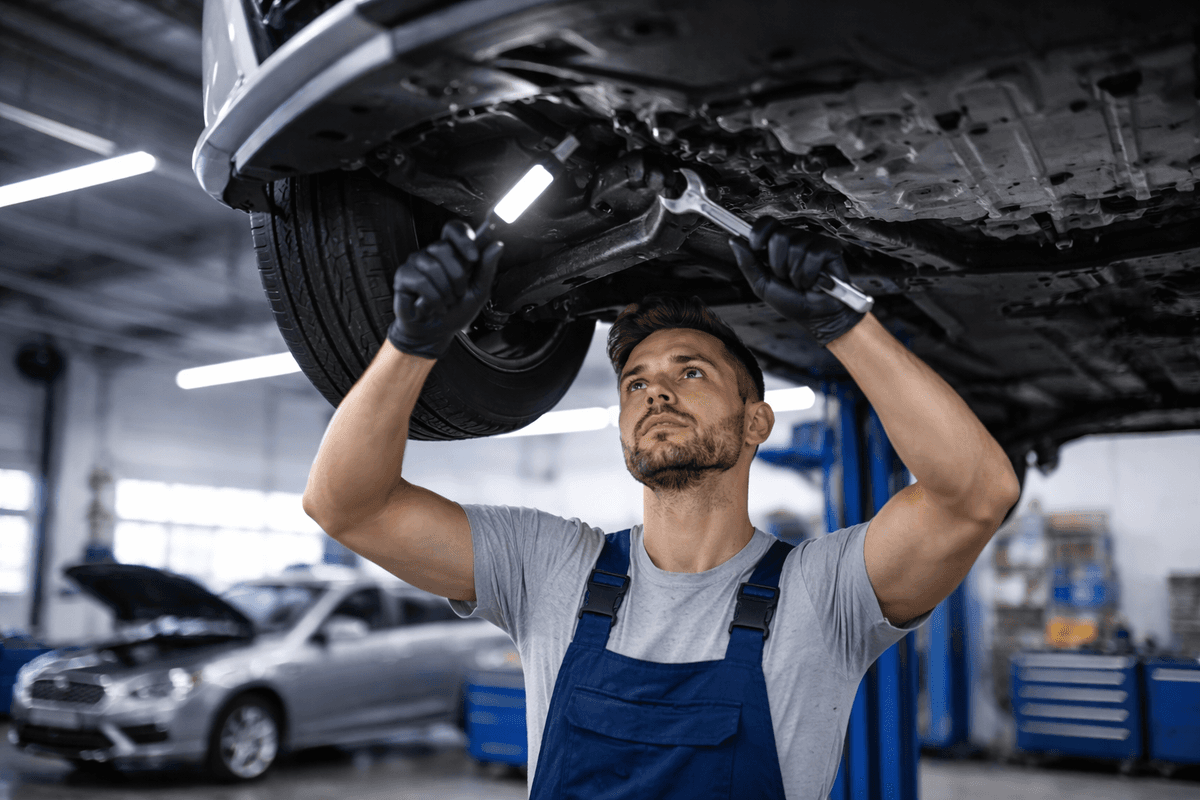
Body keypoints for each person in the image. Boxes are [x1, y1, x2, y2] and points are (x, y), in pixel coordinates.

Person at [302, 217, 1020, 799]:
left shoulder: (821, 593)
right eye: (636, 384)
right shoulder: (550, 568)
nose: (656, 393)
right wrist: (412, 343)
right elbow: (345, 505)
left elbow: (974, 494)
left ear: (755, 424)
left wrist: (843, 323)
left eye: (692, 371)